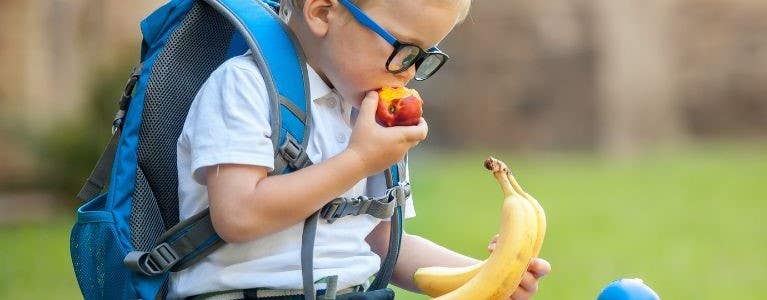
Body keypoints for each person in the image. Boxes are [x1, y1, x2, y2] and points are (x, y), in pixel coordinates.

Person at [170, 0, 550, 298]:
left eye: (423, 57)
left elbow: (381, 242)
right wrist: (358, 160)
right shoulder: (244, 87)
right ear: (322, 13)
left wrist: (492, 274)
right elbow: (237, 216)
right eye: (403, 48)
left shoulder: (370, 115)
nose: (409, 72)